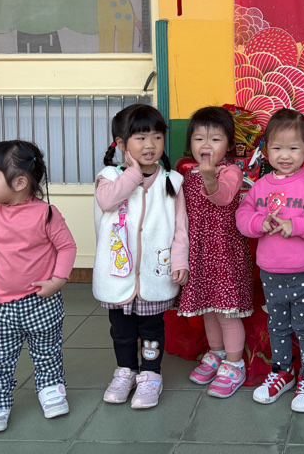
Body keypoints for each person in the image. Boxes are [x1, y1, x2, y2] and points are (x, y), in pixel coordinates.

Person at [0, 140, 77, 434]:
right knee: (0, 358)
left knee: (47, 351)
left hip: (41, 301)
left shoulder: (46, 213)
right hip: (0, 306)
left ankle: (51, 389)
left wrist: (57, 280)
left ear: (19, 182)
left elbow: (67, 247)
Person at [237, 109, 304, 412]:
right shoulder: (261, 186)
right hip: (270, 271)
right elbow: (242, 217)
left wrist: (296, 225)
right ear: (266, 150)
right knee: (278, 325)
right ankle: (282, 371)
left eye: (293, 148)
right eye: (277, 148)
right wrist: (260, 222)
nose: (284, 155)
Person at [93, 104, 186, 410]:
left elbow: (180, 226)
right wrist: (133, 173)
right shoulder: (109, 176)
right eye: (141, 138)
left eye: (157, 137)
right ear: (121, 144)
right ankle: (125, 371)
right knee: (121, 330)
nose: (150, 145)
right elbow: (108, 201)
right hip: (117, 275)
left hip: (154, 273)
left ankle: (150, 375)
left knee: (151, 329)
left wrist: (180, 260)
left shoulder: (171, 180)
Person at [177, 105, 254, 399]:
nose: (206, 145)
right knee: (208, 310)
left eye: (215, 139)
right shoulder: (186, 175)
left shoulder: (230, 171)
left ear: (230, 145)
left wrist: (210, 177)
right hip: (198, 252)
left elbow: (222, 198)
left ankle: (234, 364)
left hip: (224, 253)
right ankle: (217, 353)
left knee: (226, 312)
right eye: (199, 139)